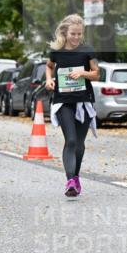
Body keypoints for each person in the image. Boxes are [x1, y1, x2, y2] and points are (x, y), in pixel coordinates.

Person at [45, 14, 99, 197]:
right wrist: (48, 80)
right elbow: (49, 66)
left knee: (80, 144)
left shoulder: (87, 51)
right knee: (71, 140)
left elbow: (96, 74)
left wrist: (83, 73)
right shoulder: (57, 52)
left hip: (83, 101)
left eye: (79, 34)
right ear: (65, 33)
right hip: (63, 101)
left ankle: (75, 177)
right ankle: (69, 181)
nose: (76, 38)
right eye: (73, 34)